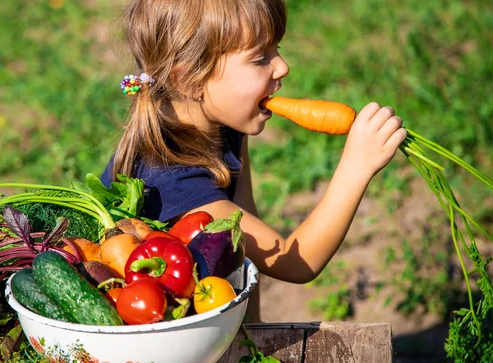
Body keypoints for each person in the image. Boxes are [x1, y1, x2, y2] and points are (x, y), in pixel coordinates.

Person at [100, 0, 407, 321]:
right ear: (189, 80)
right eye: (261, 58)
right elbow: (293, 261)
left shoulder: (223, 126)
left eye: (277, 49)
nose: (283, 66)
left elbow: (242, 252)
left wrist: (253, 336)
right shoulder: (172, 183)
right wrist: (355, 170)